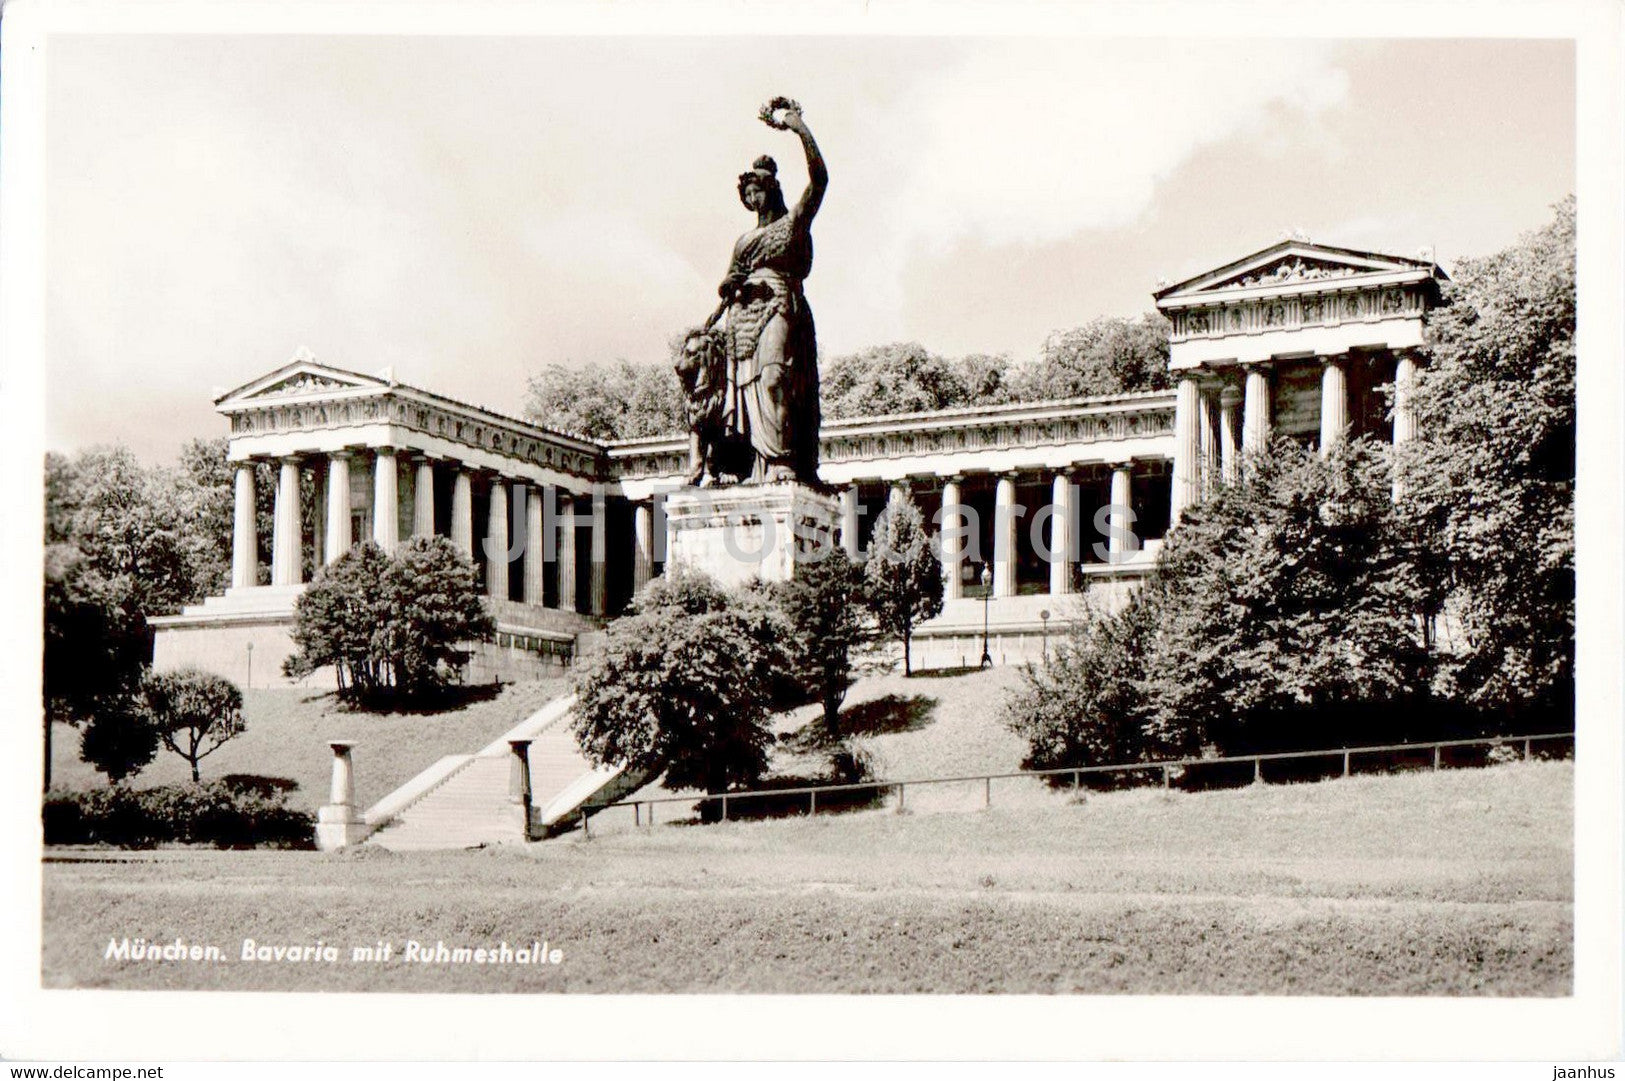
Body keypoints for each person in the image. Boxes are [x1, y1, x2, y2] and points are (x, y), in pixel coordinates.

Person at [714, 100, 827, 484]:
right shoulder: (744, 241)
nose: (751, 200)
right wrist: (730, 284)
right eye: (746, 195)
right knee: (744, 391)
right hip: (742, 319)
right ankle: (749, 463)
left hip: (780, 303)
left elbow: (820, 180)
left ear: (771, 189)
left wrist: (800, 130)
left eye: (755, 191)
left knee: (776, 378)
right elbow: (729, 280)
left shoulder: (793, 222)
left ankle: (781, 459)